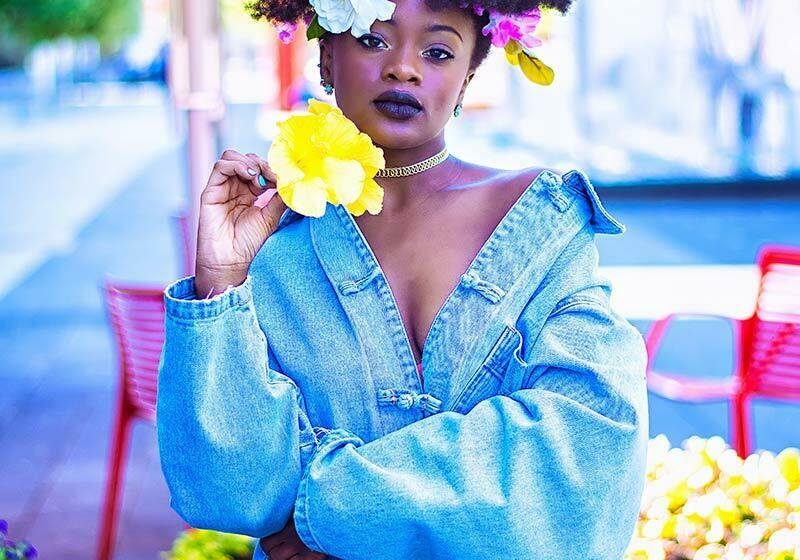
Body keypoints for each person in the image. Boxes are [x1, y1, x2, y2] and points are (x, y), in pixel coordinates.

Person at [156, 0, 650, 558]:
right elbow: (228, 493)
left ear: (467, 79)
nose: (403, 68)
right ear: (326, 58)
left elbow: (588, 452)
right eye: (373, 40)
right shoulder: (270, 243)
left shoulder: (540, 223)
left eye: (438, 52)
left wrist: (321, 512)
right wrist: (221, 281)